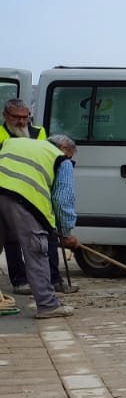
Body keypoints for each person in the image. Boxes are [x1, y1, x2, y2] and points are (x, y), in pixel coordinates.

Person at [0, 135, 78, 318]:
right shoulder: (60, 159)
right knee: (36, 250)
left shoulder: (14, 142)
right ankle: (48, 305)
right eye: (71, 156)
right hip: (23, 201)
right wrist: (65, 233)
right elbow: (63, 201)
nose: (70, 160)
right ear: (64, 148)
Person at [2, 99, 50, 295]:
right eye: (16, 117)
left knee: (41, 240)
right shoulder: (0, 134)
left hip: (34, 193)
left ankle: (51, 280)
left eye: (25, 117)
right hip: (8, 194)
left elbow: (44, 157)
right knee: (11, 239)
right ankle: (19, 280)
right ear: (6, 116)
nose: (22, 122)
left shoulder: (39, 133)